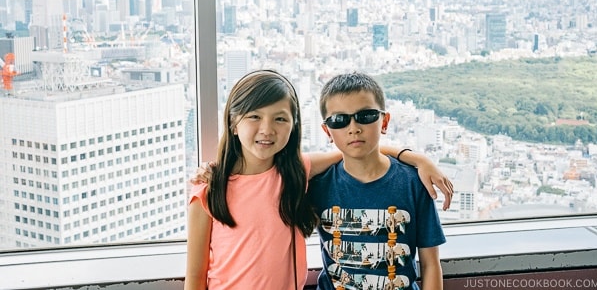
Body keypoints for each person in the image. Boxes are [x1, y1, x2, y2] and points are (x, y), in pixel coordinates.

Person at [185, 69, 452, 290]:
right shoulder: (209, 189)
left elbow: (356, 148)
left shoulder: (295, 173)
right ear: (233, 122)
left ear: (293, 126)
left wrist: (416, 159)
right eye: (254, 116)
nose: (266, 129)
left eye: (280, 119)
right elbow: (195, 277)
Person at [308, 72, 446, 289]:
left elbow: (430, 264)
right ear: (327, 130)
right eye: (339, 120)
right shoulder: (317, 186)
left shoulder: (413, 183)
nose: (353, 128)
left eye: (366, 116)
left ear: (385, 121)